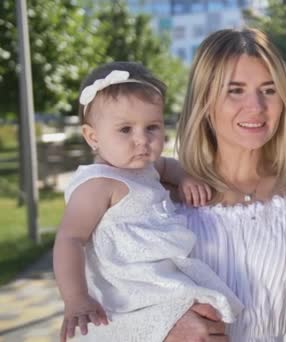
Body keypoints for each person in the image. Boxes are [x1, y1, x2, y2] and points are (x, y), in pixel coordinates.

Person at [164, 28, 286, 341]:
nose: (256, 106)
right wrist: (161, 324)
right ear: (205, 100)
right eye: (236, 90)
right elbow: (108, 294)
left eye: (269, 90)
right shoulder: (165, 194)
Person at [52, 61, 243, 342]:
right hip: (128, 291)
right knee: (201, 321)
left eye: (152, 127)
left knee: (210, 314)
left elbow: (168, 166)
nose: (142, 140)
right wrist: (76, 297)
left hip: (159, 282)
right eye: (125, 129)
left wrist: (186, 179)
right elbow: (70, 239)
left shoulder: (147, 168)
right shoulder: (98, 184)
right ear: (93, 137)